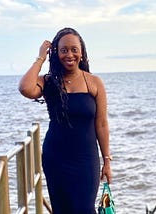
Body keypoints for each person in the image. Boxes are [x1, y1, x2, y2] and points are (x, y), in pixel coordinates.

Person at [19, 27, 112, 214]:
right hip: (56, 158)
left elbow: (101, 124)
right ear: (56, 53)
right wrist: (40, 58)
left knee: (84, 209)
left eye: (74, 49)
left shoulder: (94, 83)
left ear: (82, 53)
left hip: (86, 159)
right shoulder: (48, 82)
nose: (69, 54)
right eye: (64, 50)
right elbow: (25, 88)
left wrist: (107, 160)